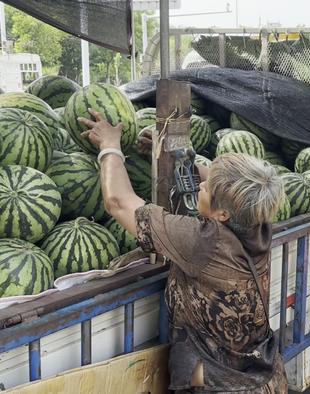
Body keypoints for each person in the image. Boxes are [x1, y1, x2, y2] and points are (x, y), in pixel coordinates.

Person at [78, 109, 288, 393]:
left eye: (207, 187)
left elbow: (118, 202)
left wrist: (109, 145)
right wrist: (173, 157)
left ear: (223, 213)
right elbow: (218, 181)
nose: (201, 184)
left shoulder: (203, 243)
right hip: (263, 376)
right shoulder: (259, 220)